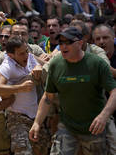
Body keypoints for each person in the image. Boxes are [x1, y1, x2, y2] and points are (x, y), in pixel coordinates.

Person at [29, 27, 116, 155]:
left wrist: (104, 116)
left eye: (68, 42)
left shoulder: (97, 64)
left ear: (80, 43)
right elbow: (48, 98)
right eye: (61, 43)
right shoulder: (55, 64)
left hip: (94, 128)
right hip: (67, 127)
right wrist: (37, 123)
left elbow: (114, 92)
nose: (63, 46)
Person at [0, 36, 50, 155]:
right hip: (17, 118)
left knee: (42, 150)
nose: (25, 56)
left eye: (26, 52)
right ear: (11, 55)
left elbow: (38, 66)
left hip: (35, 117)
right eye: (21, 54)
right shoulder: (7, 66)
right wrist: (19, 88)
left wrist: (38, 66)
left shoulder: (29, 57)